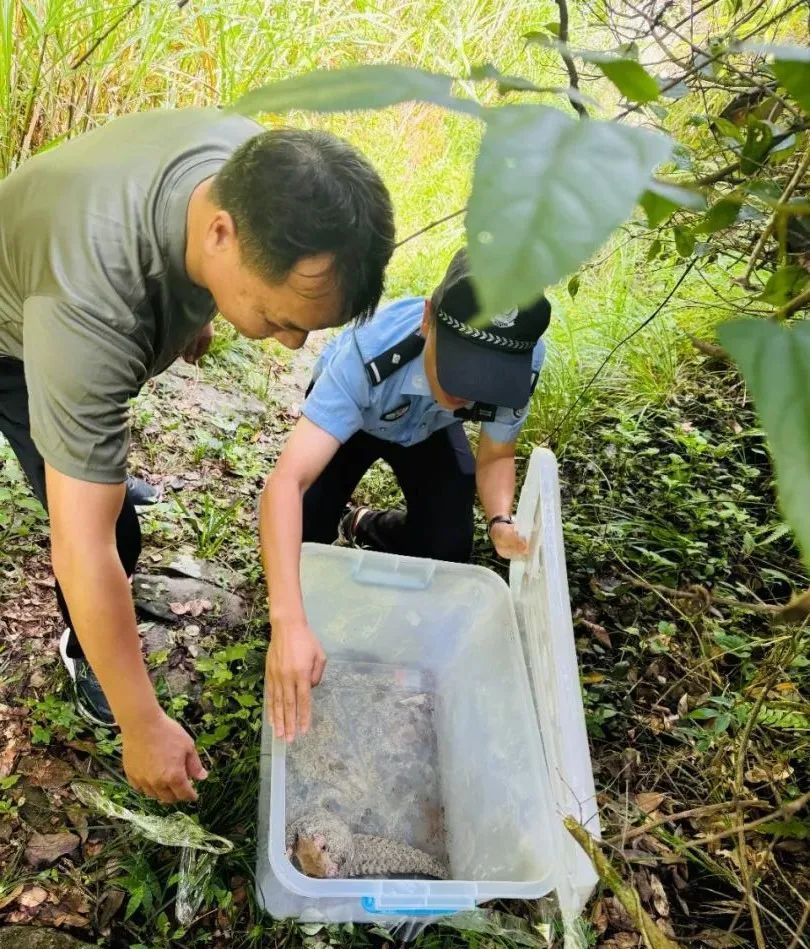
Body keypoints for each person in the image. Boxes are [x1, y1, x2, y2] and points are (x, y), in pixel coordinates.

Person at [0, 107, 394, 804]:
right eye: (281, 319)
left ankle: (100, 470)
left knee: (100, 477)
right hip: (15, 332)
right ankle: (86, 655)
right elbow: (78, 547)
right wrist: (143, 723)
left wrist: (203, 311)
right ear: (220, 234)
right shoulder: (90, 311)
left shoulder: (256, 167)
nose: (292, 345)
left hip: (65, 261)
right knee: (108, 530)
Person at [261, 248, 550, 742]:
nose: (468, 392)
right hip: (360, 418)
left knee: (449, 546)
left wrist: (500, 519)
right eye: (460, 368)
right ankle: (301, 618)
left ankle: (368, 523)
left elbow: (497, 456)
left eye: (487, 378)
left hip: (430, 429)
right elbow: (284, 483)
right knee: (306, 525)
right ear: (427, 320)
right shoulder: (366, 357)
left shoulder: (521, 358)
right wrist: (286, 620)